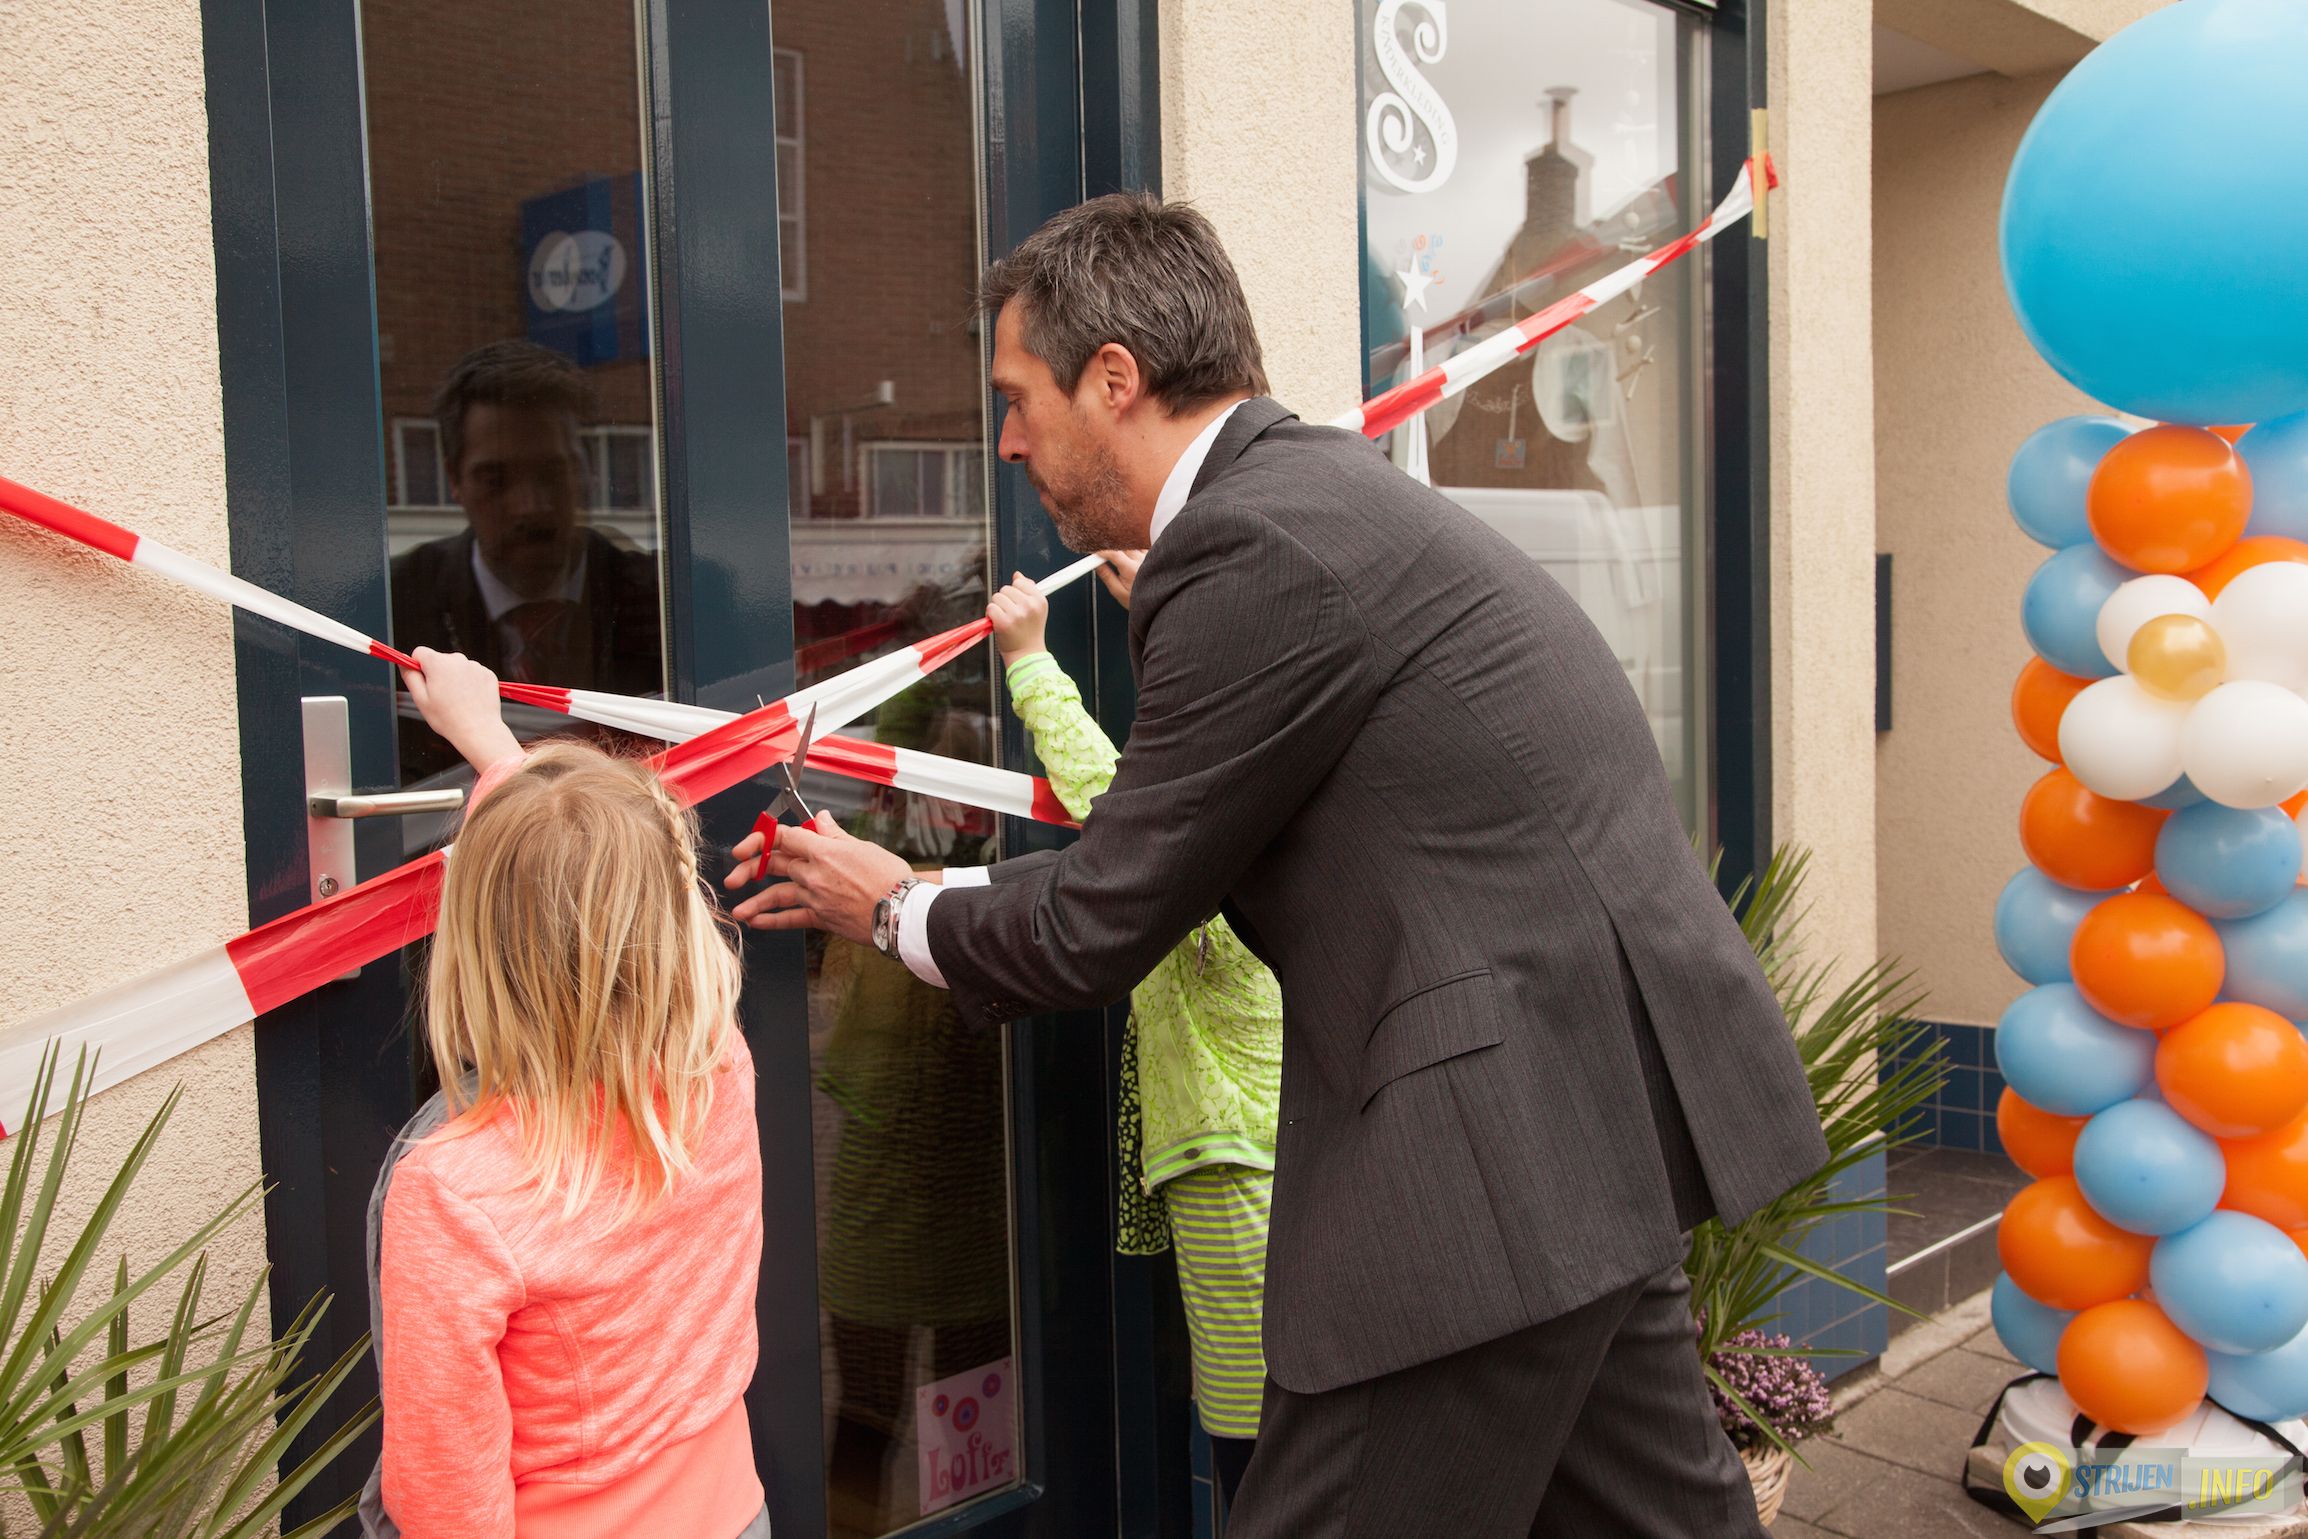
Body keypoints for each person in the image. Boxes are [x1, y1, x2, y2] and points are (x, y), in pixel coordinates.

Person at [729, 191, 1828, 1537]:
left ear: (1115, 381)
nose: (1006, 438)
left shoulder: (1253, 547)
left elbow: (1101, 917)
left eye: (1019, 396)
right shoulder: (1310, 503)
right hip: (1588, 1125)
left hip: (1480, 1167)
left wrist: (891, 901)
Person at [358, 648, 767, 1539]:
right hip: (734, 1513)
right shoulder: (719, 1070)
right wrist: (495, 749)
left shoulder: (454, 1193)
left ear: (473, 937)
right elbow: (598, 884)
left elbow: (443, 1501)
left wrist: (499, 761)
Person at [986, 562, 1283, 1507]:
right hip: (1260, 1161)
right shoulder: (1293, 804)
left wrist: (1032, 660)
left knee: (1255, 1453)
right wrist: (1166, 601)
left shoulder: (1229, 858)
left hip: (1237, 1179)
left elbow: (1121, 813)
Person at [391, 341, 661, 782]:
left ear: (583, 470)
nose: (528, 506)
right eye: (495, 480)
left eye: (550, 474)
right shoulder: (398, 609)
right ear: (454, 480)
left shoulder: (659, 603)